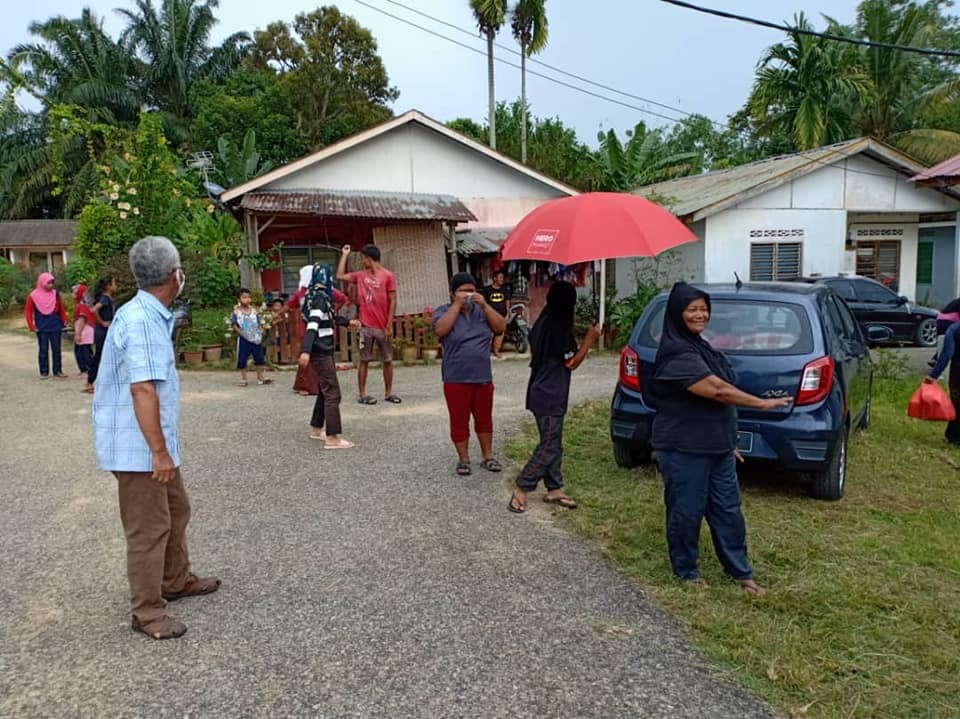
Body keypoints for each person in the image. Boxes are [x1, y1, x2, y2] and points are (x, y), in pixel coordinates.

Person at [92, 235, 220, 640]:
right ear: (175, 276)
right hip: (141, 449)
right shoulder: (143, 321)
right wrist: (159, 453)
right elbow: (142, 389)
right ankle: (147, 611)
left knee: (176, 510)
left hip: (150, 445)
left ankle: (175, 578)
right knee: (148, 527)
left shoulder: (146, 314)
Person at [651, 282, 790, 595]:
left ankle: (740, 571)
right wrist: (762, 403)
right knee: (686, 511)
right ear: (677, 313)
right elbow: (716, 390)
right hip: (684, 447)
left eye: (704, 308)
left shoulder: (702, 346)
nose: (700, 315)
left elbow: (719, 403)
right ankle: (686, 571)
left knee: (728, 510)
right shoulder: (676, 353)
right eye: (692, 309)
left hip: (718, 446)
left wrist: (730, 440)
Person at [508, 281, 601, 513]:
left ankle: (554, 487)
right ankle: (523, 486)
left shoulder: (543, 322)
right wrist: (589, 340)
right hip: (551, 394)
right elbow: (571, 363)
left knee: (554, 442)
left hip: (540, 391)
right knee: (549, 444)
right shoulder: (560, 327)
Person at [432, 272, 507, 476]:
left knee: (484, 418)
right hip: (456, 377)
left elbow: (500, 327)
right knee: (459, 419)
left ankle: (488, 456)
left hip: (482, 376)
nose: (468, 294)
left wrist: (484, 305)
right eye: (463, 291)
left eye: (471, 291)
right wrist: (456, 306)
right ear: (452, 293)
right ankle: (463, 459)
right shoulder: (444, 311)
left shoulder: (482, 311)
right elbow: (440, 330)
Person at [298, 262, 358, 449]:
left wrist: (348, 323)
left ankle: (317, 428)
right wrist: (306, 350)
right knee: (333, 393)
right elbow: (313, 324)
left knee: (325, 389)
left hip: (322, 349)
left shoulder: (314, 295)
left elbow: (329, 317)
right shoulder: (319, 298)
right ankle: (332, 438)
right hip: (320, 350)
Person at [337, 243, 400, 404]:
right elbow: (340, 275)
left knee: (387, 360)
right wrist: (344, 254)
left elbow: (393, 301)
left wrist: (389, 325)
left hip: (382, 326)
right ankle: (362, 394)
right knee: (364, 360)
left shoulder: (388, 276)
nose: (362, 262)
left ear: (369, 258)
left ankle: (388, 393)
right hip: (365, 326)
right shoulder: (360, 275)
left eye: (363, 258)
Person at [24, 271, 68, 379]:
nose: (51, 285)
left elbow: (61, 308)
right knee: (43, 349)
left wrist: (64, 319)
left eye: (52, 283)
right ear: (42, 283)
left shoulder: (55, 294)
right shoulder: (33, 296)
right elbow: (28, 311)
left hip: (55, 325)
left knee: (56, 349)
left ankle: (57, 370)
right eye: (48, 283)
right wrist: (31, 325)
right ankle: (44, 372)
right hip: (42, 327)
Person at [925, 320, 960, 445]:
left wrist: (933, 375)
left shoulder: (954, 329)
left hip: (958, 373)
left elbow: (946, 354)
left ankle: (954, 436)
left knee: (957, 404)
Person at [231, 288, 271, 387]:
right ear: (239, 299)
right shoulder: (236, 312)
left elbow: (259, 323)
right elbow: (234, 325)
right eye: (244, 297)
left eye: (249, 297)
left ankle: (260, 377)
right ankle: (244, 379)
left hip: (256, 338)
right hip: (244, 338)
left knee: (259, 357)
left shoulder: (254, 311)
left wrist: (260, 332)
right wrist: (241, 333)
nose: (247, 299)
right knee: (243, 358)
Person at [85, 275, 117, 393]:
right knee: (99, 356)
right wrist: (102, 322)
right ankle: (90, 382)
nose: (116, 286)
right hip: (102, 331)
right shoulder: (104, 298)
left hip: (106, 331)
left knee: (108, 356)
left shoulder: (108, 298)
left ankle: (106, 382)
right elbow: (93, 310)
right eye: (114, 284)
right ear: (108, 286)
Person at [484, 270, 510, 359]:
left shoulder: (505, 290)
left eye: (503, 278)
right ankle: (486, 352)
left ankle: (496, 351)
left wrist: (507, 314)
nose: (502, 279)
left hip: (501, 315)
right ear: (494, 278)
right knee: (489, 334)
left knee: (500, 333)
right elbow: (484, 303)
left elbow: (507, 302)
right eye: (500, 277)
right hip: (490, 315)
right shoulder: (487, 290)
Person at [72, 284, 96, 378]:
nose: (72, 294)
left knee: (84, 352)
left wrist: (78, 334)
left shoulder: (82, 306)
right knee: (80, 351)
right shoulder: (82, 304)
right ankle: (84, 369)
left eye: (74, 292)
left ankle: (87, 370)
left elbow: (82, 320)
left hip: (84, 332)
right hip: (83, 332)